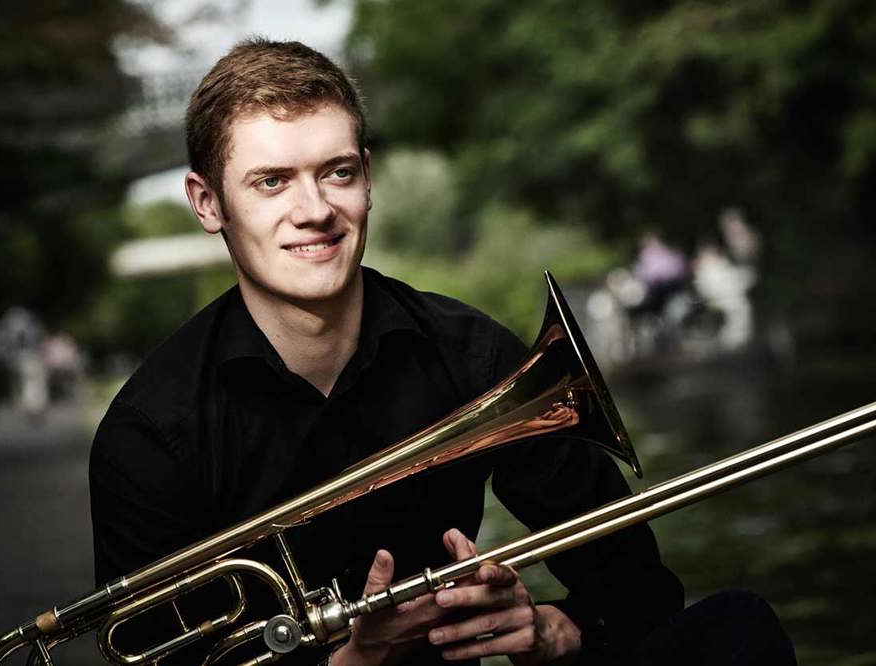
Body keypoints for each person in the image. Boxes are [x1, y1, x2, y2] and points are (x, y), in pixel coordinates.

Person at [90, 39, 794, 665]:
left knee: (737, 627)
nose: (313, 209)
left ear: (366, 180)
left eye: (335, 172)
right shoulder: (151, 433)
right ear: (207, 203)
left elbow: (640, 592)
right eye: (271, 182)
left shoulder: (473, 355)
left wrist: (548, 632)